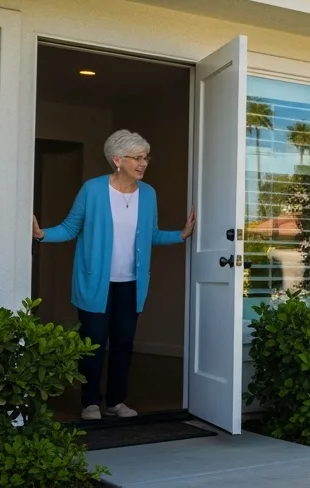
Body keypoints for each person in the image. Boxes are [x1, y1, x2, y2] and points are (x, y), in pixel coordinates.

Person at [32, 129, 194, 421]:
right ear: (117, 159)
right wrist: (42, 235)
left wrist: (180, 236)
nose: (143, 163)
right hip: (96, 282)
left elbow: (152, 235)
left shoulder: (148, 194)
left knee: (123, 343)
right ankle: (90, 402)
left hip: (131, 283)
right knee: (93, 344)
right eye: (137, 158)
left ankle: (117, 401)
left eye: (146, 158)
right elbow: (71, 228)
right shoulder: (93, 190)